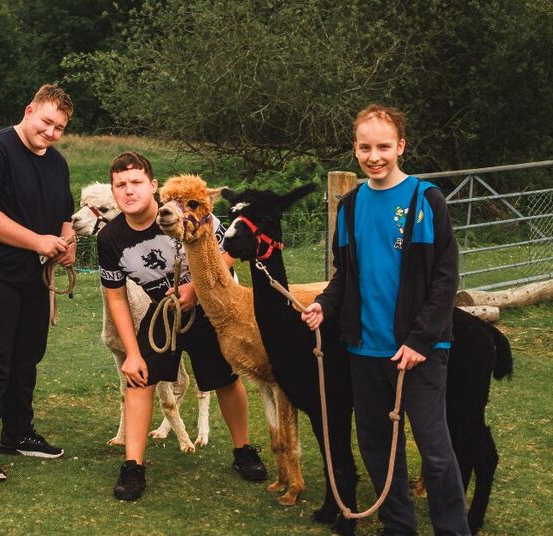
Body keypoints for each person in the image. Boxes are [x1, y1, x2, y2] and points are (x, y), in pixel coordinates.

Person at [301, 104, 470, 534]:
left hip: (420, 351)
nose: (373, 156)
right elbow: (346, 274)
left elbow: (445, 279)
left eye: (383, 146)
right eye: (364, 147)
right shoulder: (351, 205)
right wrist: (325, 303)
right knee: (377, 447)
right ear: (355, 149)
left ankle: (453, 529)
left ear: (401, 146)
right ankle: (399, 527)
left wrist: (419, 341)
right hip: (365, 348)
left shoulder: (424, 200)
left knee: (434, 450)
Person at [97, 151, 267, 501]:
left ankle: (243, 450)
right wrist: (131, 353)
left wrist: (195, 287)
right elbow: (115, 297)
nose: (129, 191)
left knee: (225, 378)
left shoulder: (185, 211)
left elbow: (231, 248)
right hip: (162, 313)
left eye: (136, 183)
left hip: (206, 309)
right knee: (139, 378)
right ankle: (133, 466)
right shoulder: (110, 238)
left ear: (154, 186)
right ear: (113, 192)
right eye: (120, 185)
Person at [0, 84, 76, 481]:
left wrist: (67, 243)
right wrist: (37, 241)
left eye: (59, 127)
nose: (50, 132)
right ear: (29, 111)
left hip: (34, 279)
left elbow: (65, 214)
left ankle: (18, 433)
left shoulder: (57, 163)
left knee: (27, 358)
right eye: (46, 121)